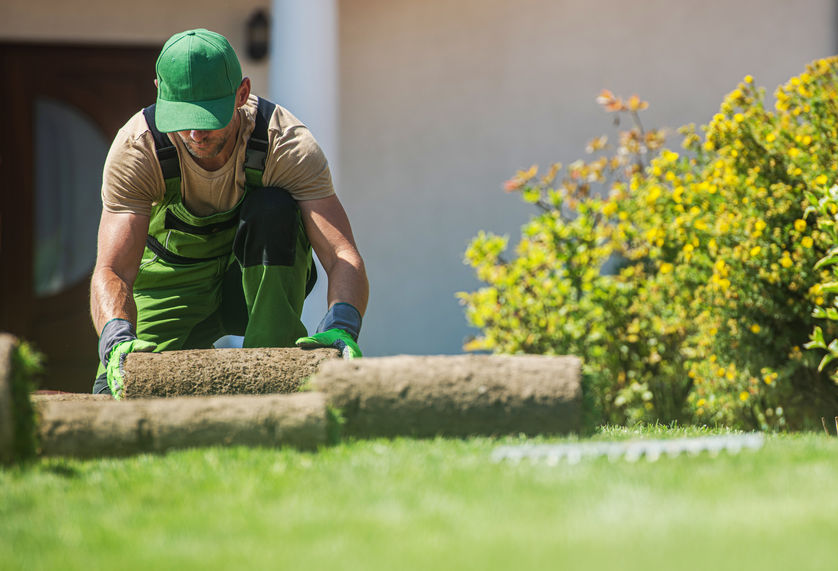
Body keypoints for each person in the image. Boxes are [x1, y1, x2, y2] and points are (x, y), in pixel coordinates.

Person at [90, 28, 369, 398]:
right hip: (171, 284)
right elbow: (113, 269)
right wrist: (115, 338)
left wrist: (342, 325)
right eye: (181, 117)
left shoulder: (285, 144)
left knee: (274, 208)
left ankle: (274, 367)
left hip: (257, 283)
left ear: (242, 93)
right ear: (158, 89)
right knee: (113, 396)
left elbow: (341, 255)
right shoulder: (138, 150)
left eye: (207, 117)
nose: (194, 134)